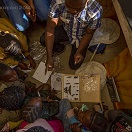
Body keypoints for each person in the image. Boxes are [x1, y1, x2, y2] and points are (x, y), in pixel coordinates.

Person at [40, 0, 103, 71]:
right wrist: (49, 56)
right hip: (66, 30)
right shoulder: (57, 3)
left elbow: (89, 33)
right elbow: (50, 29)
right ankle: (59, 47)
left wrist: (79, 51)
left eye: (78, 9)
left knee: (74, 65)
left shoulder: (95, 11)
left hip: (81, 36)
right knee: (43, 40)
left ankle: (77, 47)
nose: (73, 11)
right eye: (69, 6)